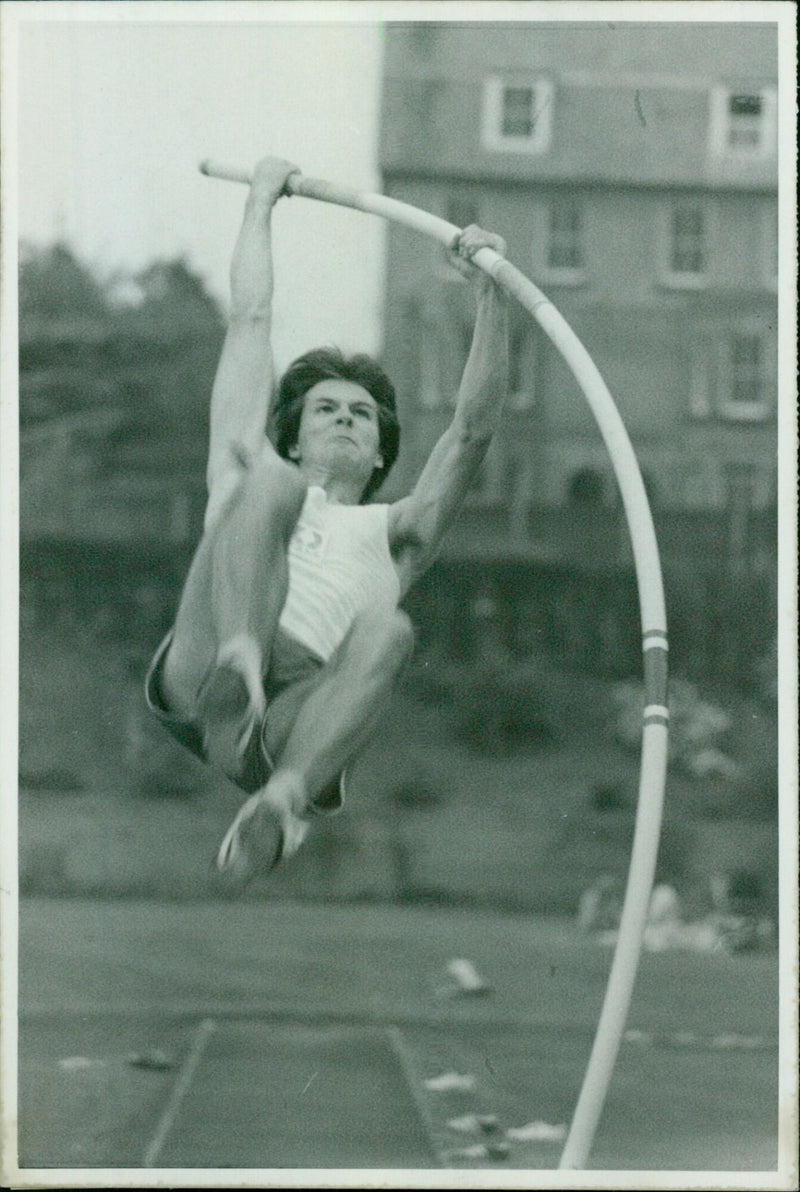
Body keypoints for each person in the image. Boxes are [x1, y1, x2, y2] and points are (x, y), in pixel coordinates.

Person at [145, 156, 509, 882]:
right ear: (295, 431)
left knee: (392, 629)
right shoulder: (249, 467)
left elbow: (470, 433)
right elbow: (249, 322)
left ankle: (280, 805)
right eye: (326, 410)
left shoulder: (397, 534)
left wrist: (491, 292)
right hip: (210, 647)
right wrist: (258, 205)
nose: (344, 418)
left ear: (380, 452)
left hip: (293, 720)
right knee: (267, 488)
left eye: (362, 415)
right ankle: (239, 659)